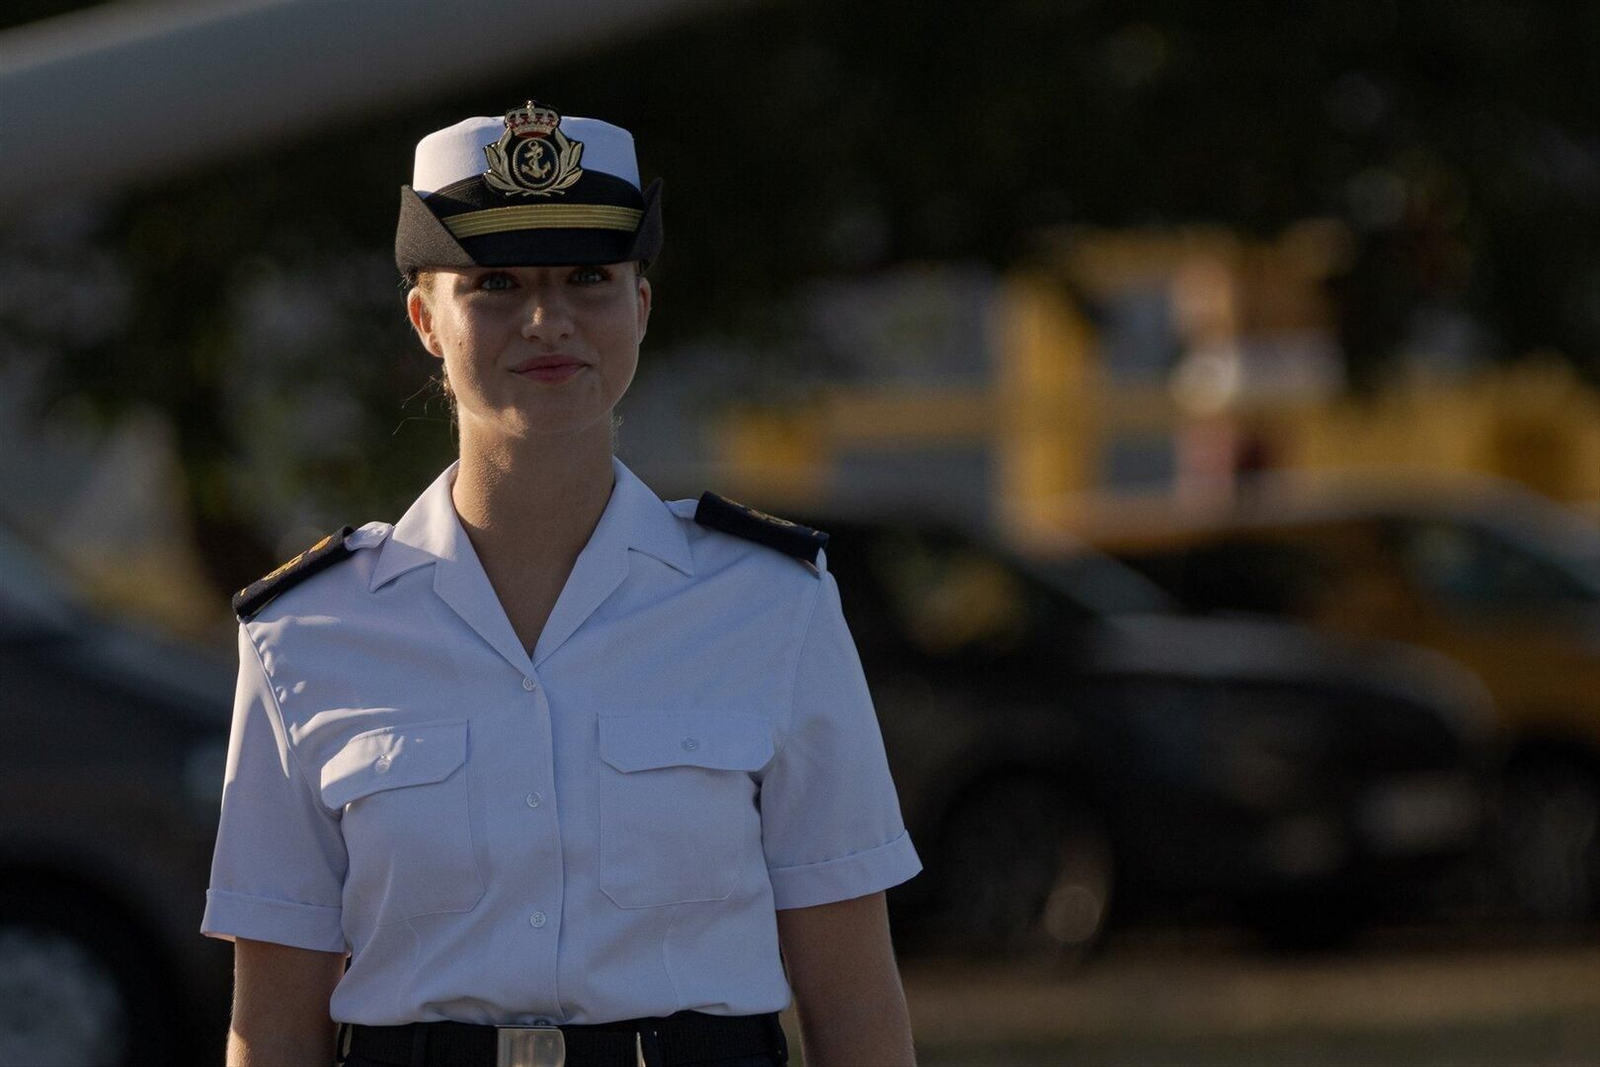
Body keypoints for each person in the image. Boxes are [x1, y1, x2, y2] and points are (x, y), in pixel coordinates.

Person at [201, 99, 923, 1067]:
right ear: (425, 318)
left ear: (641, 306)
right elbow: (274, 1025)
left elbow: (857, 1002)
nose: (547, 320)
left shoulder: (771, 604)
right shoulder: (308, 632)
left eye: (589, 278)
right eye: (494, 282)